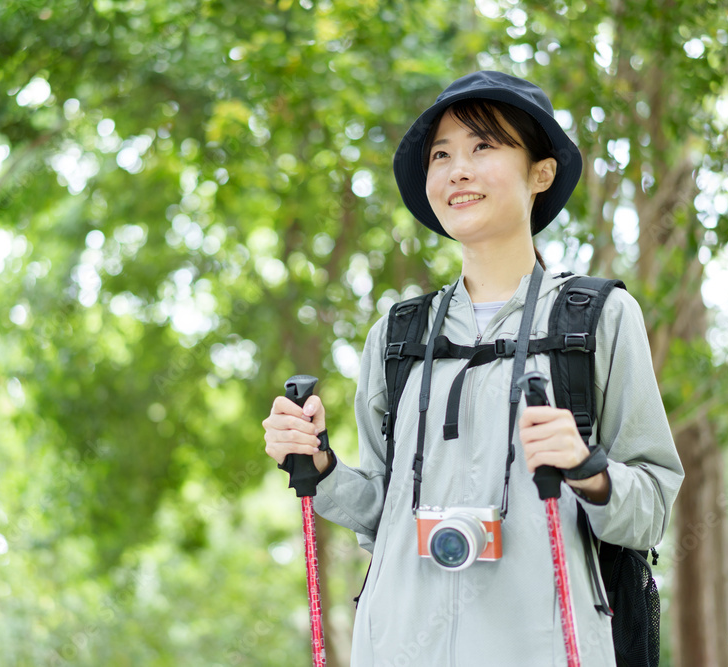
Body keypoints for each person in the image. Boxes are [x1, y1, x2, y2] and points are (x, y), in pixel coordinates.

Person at [262, 71, 684, 666]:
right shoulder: (397, 335)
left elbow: (650, 512)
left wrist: (588, 470)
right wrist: (320, 464)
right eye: (441, 154)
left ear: (541, 172)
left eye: (483, 146)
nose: (457, 169)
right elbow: (382, 518)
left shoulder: (598, 319)